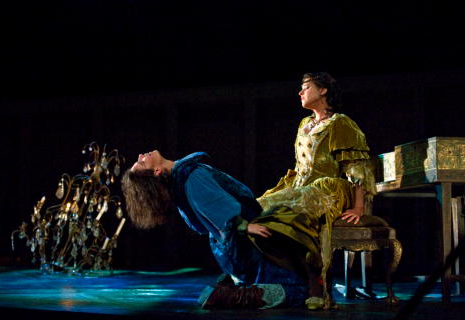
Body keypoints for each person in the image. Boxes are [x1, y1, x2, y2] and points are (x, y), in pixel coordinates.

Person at [248, 72, 377, 309]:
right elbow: (301, 167)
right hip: (300, 187)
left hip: (331, 187)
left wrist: (359, 206)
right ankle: (287, 282)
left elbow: (357, 168)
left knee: (304, 202)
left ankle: (316, 283)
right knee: (257, 207)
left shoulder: (340, 123)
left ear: (323, 90)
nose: (300, 92)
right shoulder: (303, 124)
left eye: (305, 87)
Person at [121, 150, 309, 309]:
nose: (140, 155)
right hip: (244, 242)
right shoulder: (189, 178)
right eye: (141, 162)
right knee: (297, 290)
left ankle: (233, 286)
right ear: (157, 171)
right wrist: (243, 225)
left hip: (230, 247)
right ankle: (229, 295)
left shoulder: (181, 181)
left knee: (279, 281)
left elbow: (199, 224)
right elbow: (218, 208)